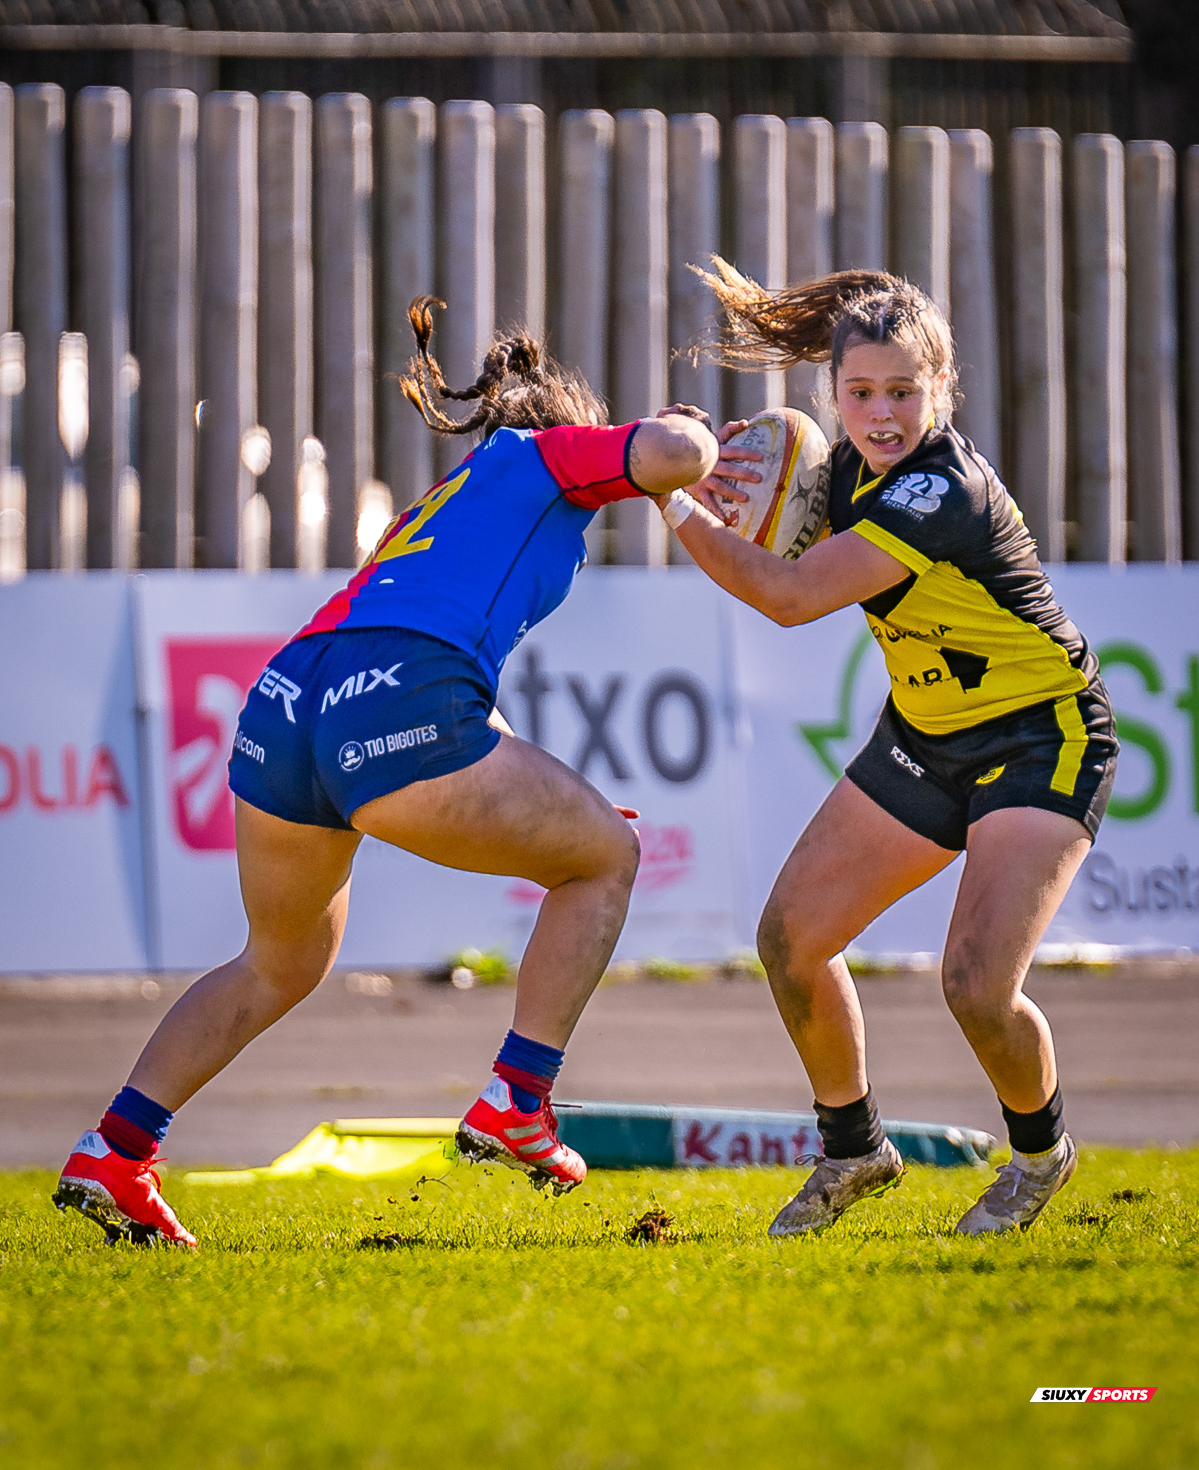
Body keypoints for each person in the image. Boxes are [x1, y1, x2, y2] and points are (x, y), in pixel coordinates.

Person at [55, 297, 717, 1248]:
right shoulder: (541, 457)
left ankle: (115, 1151)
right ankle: (517, 1102)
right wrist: (688, 435)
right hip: (397, 695)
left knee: (277, 961)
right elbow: (669, 456)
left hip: (286, 699)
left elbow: (409, 643)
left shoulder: (441, 500)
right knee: (603, 858)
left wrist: (532, 790)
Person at [662, 262, 1117, 1238]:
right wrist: (711, 466)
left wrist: (671, 504)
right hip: (923, 737)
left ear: (939, 390)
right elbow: (774, 527)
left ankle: (1039, 1154)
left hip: (1041, 736)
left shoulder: (938, 488)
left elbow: (785, 599)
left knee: (972, 985)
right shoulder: (838, 475)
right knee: (790, 939)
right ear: (831, 396)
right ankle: (852, 1148)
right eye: (860, 393)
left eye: (902, 393)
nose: (879, 414)